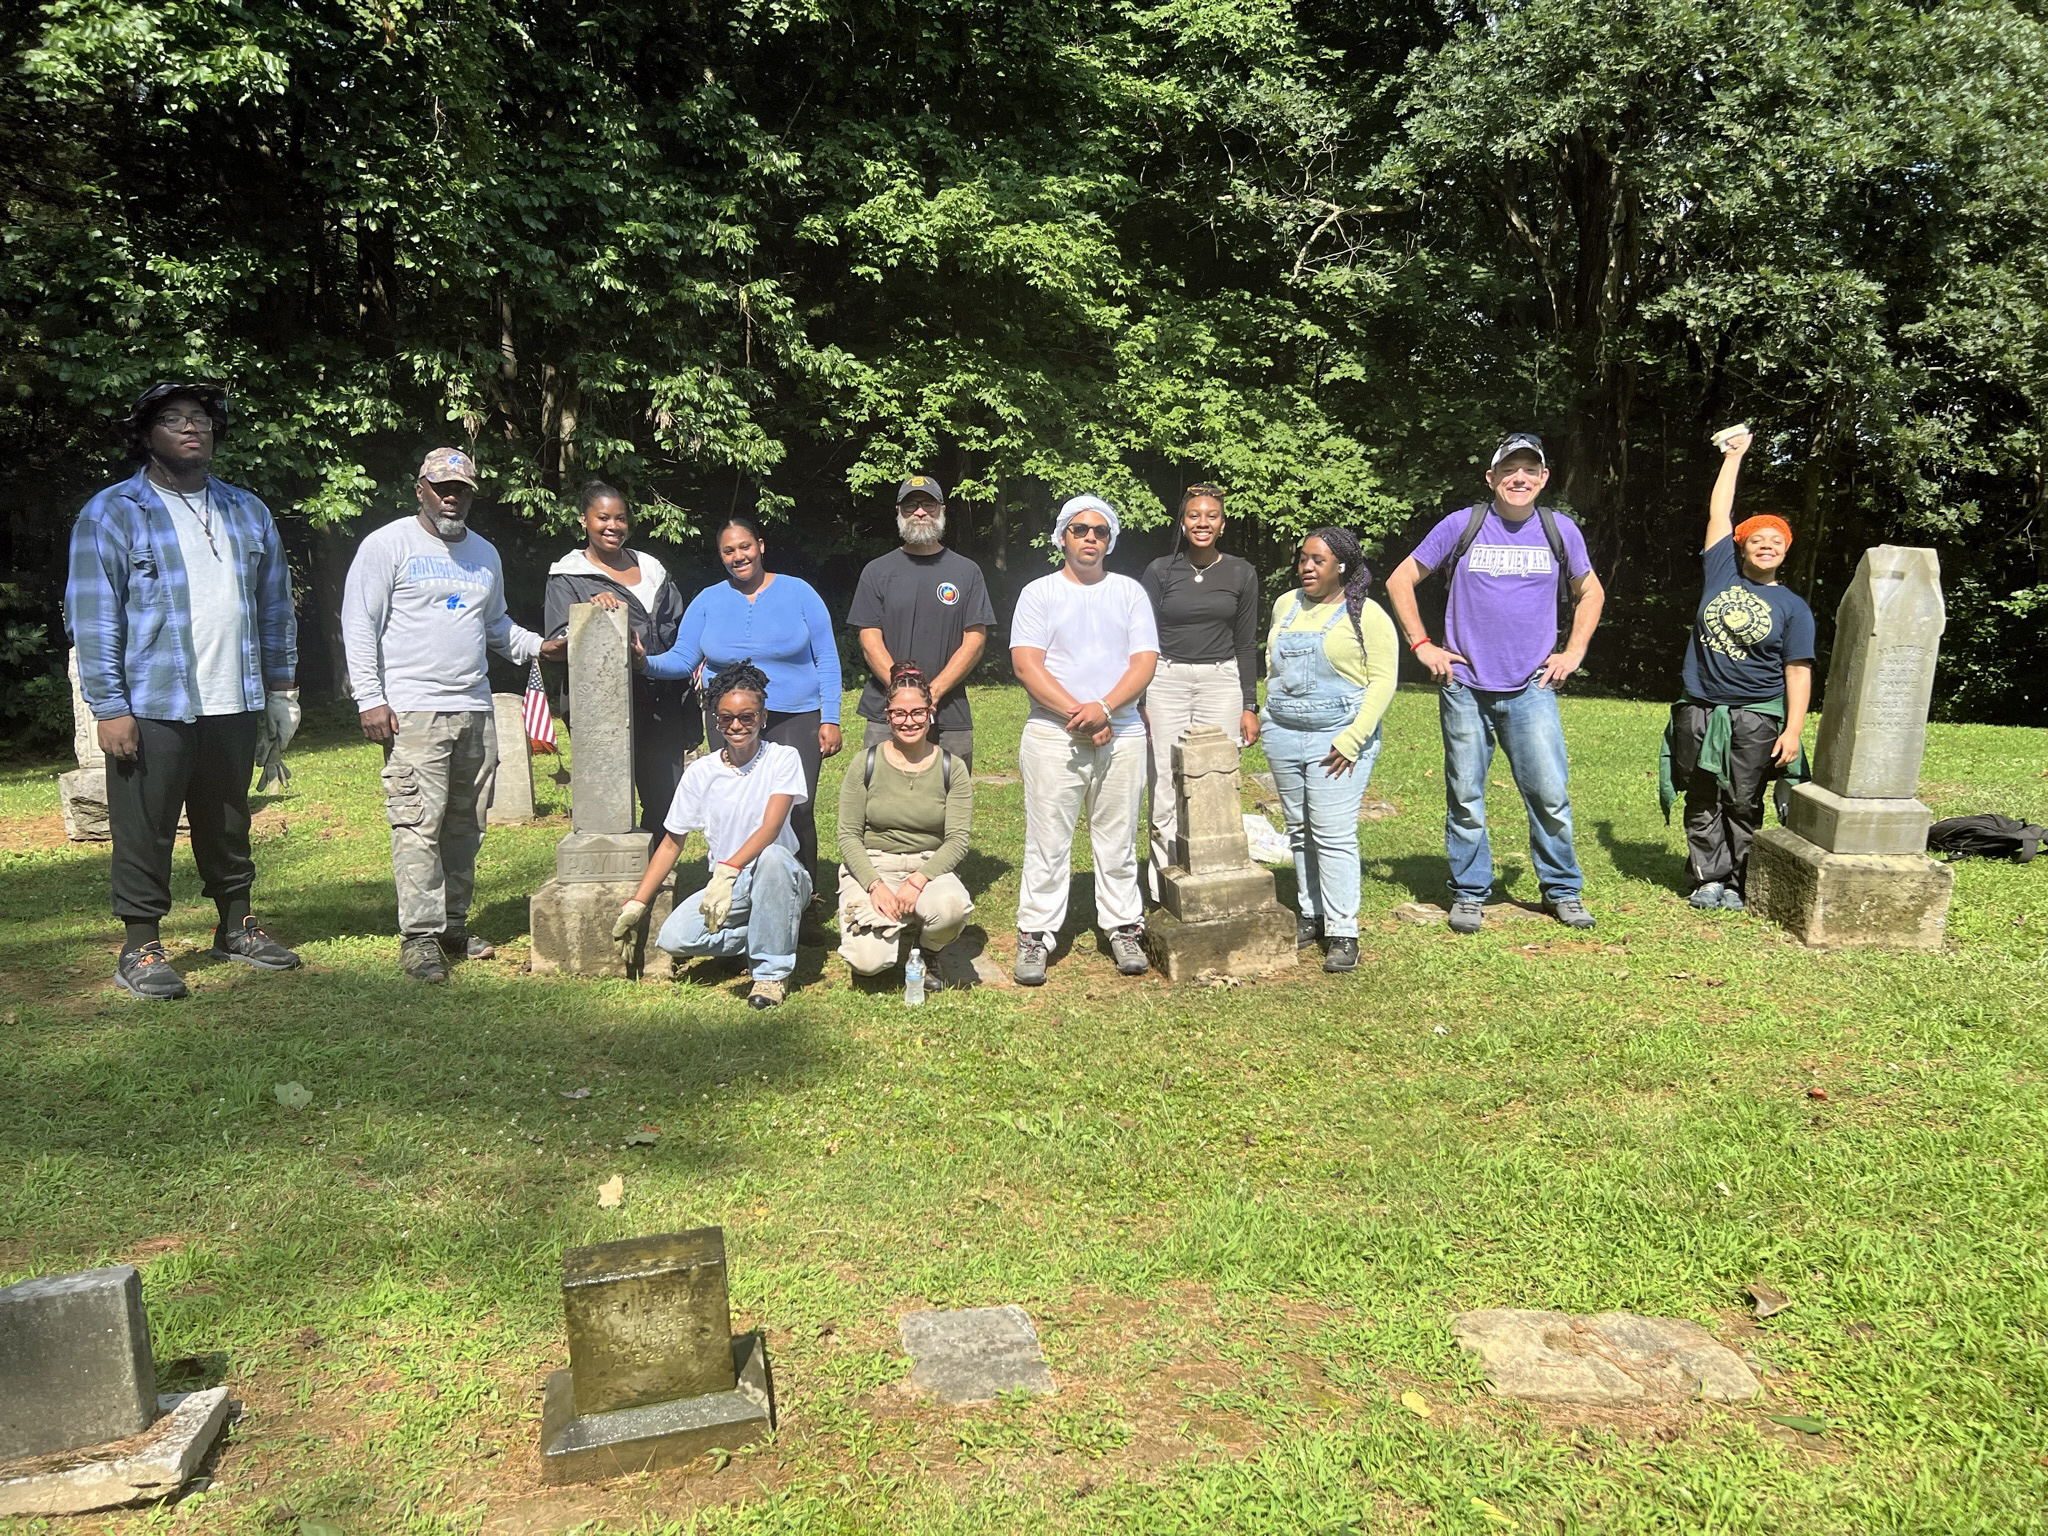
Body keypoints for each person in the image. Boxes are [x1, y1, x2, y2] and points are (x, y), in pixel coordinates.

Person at [65, 382, 303, 999]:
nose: (190, 428)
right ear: (147, 435)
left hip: (235, 695)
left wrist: (281, 687)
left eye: (199, 418)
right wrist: (109, 707)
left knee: (227, 818)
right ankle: (140, 945)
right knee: (146, 825)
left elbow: (275, 604)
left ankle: (237, 926)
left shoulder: (246, 510)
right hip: (153, 702)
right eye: (172, 419)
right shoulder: (113, 511)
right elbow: (94, 616)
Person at [342, 447, 565, 983]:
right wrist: (370, 699)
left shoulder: (484, 554)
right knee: (418, 823)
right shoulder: (387, 544)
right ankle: (419, 937)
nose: (451, 495)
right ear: (419, 488)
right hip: (413, 710)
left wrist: (540, 647)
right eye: (441, 486)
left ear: (471, 494)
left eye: (461, 488)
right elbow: (357, 623)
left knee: (467, 825)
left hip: (475, 708)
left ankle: (452, 924)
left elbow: (496, 627)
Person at [1384, 432, 1606, 934]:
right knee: (1465, 796)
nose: (1519, 479)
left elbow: (1590, 592)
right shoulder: (1463, 525)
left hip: (1532, 688)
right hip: (1465, 687)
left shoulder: (1559, 530)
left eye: (1530, 470)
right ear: (1491, 478)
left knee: (1549, 794)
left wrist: (1573, 652)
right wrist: (1422, 645)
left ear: (1544, 479)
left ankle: (1563, 890)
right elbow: (1400, 579)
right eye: (1510, 470)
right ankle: (1469, 892)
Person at [641, 515, 841, 888]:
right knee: (734, 808)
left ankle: (805, 894)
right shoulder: (708, 600)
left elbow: (826, 658)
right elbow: (684, 658)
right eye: (728, 550)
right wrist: (643, 661)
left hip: (795, 714)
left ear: (761, 546)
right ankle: (735, 888)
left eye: (745, 546)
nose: (738, 556)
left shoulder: (799, 592)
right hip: (732, 720)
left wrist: (830, 716)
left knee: (798, 809)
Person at [1009, 495, 1160, 985]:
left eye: (1099, 530)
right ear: (1062, 538)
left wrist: (1106, 709)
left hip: (1124, 731)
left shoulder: (1130, 593)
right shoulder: (1038, 593)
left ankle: (1122, 926)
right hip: (1054, 733)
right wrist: (1081, 712)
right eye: (1079, 529)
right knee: (1048, 840)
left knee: (1118, 839)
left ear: (1110, 540)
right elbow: (1026, 664)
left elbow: (1144, 662)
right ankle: (1036, 934)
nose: (1090, 537)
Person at [1664, 427, 1814, 909]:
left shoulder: (1794, 607)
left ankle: (1739, 880)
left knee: (1744, 798)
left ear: (1785, 551)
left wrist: (1792, 731)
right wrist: (1735, 457)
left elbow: (1797, 671)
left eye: (1776, 540)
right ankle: (1708, 876)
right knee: (1702, 792)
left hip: (1756, 715)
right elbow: (1719, 514)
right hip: (1701, 708)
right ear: (1741, 547)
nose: (1766, 545)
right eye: (1757, 539)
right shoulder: (1721, 573)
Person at [613, 661, 809, 1009]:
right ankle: (770, 928)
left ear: (763, 717)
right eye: (726, 718)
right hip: (728, 885)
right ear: (716, 720)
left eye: (747, 717)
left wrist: (728, 869)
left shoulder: (783, 759)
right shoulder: (701, 772)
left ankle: (770, 975)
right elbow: (672, 843)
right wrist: (637, 902)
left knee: (774, 857)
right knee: (675, 938)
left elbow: (771, 827)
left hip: (774, 875)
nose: (736, 726)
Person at [1261, 527, 1398, 972]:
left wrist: (1353, 739)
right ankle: (1311, 913)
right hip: (1283, 732)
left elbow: (1383, 681)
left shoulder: (1367, 614)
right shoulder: (1285, 606)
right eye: (1303, 558)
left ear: (1341, 566)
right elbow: (1271, 665)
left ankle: (1343, 929)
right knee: (1299, 830)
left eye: (1317, 560)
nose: (1306, 567)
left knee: (1333, 833)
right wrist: (1268, 719)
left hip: (1337, 739)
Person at [545, 480, 701, 847]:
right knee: (607, 798)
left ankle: (652, 877)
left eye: (620, 518)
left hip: (662, 697)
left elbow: (678, 627)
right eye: (602, 518)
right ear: (584, 520)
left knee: (665, 797)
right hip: (604, 708)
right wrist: (590, 614)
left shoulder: (653, 570)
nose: (613, 526)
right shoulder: (568, 577)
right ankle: (611, 871)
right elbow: (555, 643)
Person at [1139, 483, 1261, 896]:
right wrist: (1139, 697)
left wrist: (1249, 704)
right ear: (1183, 522)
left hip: (1220, 681)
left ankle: (1215, 875)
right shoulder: (1160, 571)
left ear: (1222, 524)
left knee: (1217, 777)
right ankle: (1166, 885)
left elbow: (1246, 642)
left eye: (1211, 516)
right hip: (1166, 680)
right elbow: (1142, 637)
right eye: (1194, 515)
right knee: (1165, 780)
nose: (1202, 522)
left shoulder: (1241, 572)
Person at [836, 663, 976, 982]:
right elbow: (848, 835)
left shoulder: (951, 768)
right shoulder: (865, 763)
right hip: (874, 864)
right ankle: (891, 928)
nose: (908, 721)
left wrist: (918, 880)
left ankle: (928, 950)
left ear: (930, 712)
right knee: (868, 963)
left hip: (927, 866)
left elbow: (957, 840)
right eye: (899, 713)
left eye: (917, 712)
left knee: (952, 910)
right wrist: (875, 885)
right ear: (887, 715)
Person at [846, 475, 996, 766]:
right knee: (880, 801)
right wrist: (905, 695)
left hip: (951, 711)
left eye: (928, 504)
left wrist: (934, 691)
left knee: (952, 801)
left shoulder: (967, 571)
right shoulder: (877, 571)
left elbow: (975, 641)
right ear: (898, 512)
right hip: (887, 710)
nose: (920, 512)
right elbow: (869, 639)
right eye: (910, 505)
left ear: (942, 509)